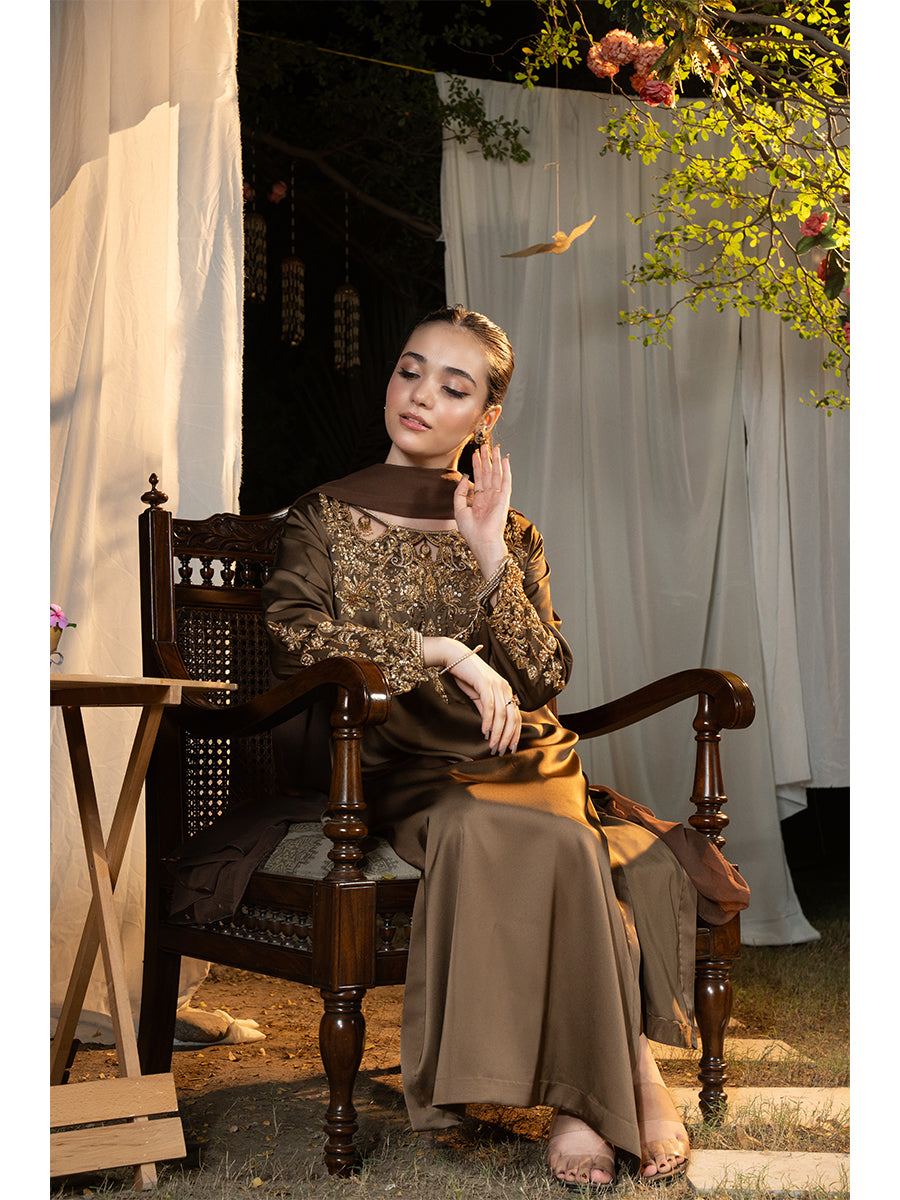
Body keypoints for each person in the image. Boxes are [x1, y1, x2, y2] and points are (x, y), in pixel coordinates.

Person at [262, 305, 737, 1189]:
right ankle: (629, 1077)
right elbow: (294, 639)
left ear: (485, 417)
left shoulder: (509, 528)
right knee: (546, 840)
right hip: (403, 767)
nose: (420, 396)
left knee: (564, 835)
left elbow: (546, 673)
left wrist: (489, 560)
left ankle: (591, 1099)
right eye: (410, 370)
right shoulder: (323, 516)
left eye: (453, 386)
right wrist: (443, 650)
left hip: (527, 756)